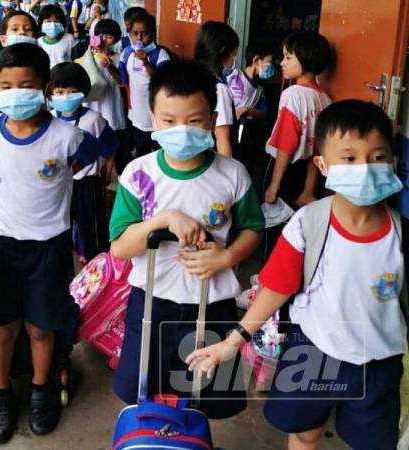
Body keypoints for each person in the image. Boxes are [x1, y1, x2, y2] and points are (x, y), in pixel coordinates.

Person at [187, 99, 406, 450]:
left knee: (373, 441)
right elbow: (276, 287)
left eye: (378, 157)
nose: (365, 169)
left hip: (379, 362)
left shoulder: (400, 233)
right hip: (313, 352)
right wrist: (232, 342)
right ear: (322, 164)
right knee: (305, 432)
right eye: (349, 159)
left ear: (393, 161)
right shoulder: (309, 224)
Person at [0, 43, 110, 443]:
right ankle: (1, 391)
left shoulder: (66, 136)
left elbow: (100, 152)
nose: (15, 93)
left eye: (26, 85)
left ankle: (42, 389)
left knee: (41, 329)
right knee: (3, 328)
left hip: (47, 249)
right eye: (6, 85)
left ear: (44, 87)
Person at [110, 59, 264, 419]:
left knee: (205, 397)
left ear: (212, 118)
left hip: (212, 306)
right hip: (151, 304)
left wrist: (227, 257)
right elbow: (120, 246)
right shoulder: (138, 175)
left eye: (194, 121)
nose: (181, 130)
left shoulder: (232, 175)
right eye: (168, 120)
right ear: (151, 117)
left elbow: (253, 229)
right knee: (143, 390)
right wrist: (163, 220)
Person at [262, 31, 332, 259]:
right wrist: (309, 189)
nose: (282, 63)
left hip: (284, 169)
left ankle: (264, 282)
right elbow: (317, 149)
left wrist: (274, 185)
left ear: (306, 60)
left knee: (272, 228)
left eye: (288, 57)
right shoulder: (325, 98)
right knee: (296, 233)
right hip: (306, 174)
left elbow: (286, 143)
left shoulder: (293, 94)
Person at [49, 62, 119, 262]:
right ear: (50, 92)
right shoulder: (50, 119)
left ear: (84, 92)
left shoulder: (94, 119)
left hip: (87, 183)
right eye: (60, 91)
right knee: (62, 224)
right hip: (59, 184)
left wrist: (108, 167)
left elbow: (110, 145)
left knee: (92, 226)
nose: (66, 97)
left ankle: (95, 262)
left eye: (72, 91)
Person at [119, 13, 170, 158]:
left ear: (152, 34)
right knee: (141, 152)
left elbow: (161, 80)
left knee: (160, 153)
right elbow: (121, 80)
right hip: (137, 115)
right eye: (135, 34)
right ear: (129, 34)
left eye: (144, 34)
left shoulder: (160, 54)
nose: (139, 38)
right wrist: (109, 66)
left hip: (158, 114)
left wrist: (146, 62)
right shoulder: (127, 53)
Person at [81, 20, 128, 172]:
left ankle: (114, 168)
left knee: (113, 136)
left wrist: (109, 65)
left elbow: (121, 81)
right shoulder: (88, 56)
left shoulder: (119, 57)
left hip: (111, 104)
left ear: (116, 39)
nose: (105, 40)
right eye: (102, 36)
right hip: (94, 103)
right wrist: (93, 52)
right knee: (93, 134)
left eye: (110, 37)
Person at [226, 42, 274, 173]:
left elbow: (264, 114)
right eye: (269, 63)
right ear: (256, 60)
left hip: (244, 135)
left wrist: (249, 111)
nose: (271, 68)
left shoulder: (260, 90)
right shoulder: (232, 77)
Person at [193, 20, 240, 158]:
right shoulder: (219, 90)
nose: (233, 60)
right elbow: (222, 139)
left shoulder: (192, 77)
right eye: (233, 55)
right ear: (222, 52)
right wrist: (230, 176)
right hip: (212, 160)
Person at [0, 11, 40, 115]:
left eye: (28, 29)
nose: (22, 32)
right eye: (15, 29)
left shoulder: (41, 64)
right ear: (3, 40)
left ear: (35, 38)